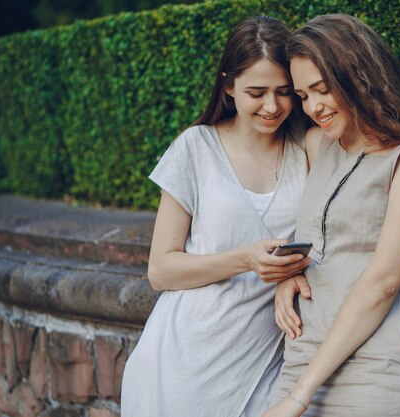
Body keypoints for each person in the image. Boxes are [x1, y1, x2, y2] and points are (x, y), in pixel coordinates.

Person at [264, 14, 400, 417]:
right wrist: (289, 272)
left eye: (322, 89)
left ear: (359, 76)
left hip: (380, 373)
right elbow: (323, 240)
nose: (313, 107)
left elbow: (383, 282)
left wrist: (299, 396)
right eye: (303, 95)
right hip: (301, 359)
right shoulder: (319, 144)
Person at [120, 16, 310, 417]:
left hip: (263, 364)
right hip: (181, 361)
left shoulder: (308, 149)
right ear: (228, 86)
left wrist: (296, 271)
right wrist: (245, 259)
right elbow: (161, 270)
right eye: (256, 92)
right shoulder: (196, 147)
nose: (272, 106)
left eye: (284, 92)